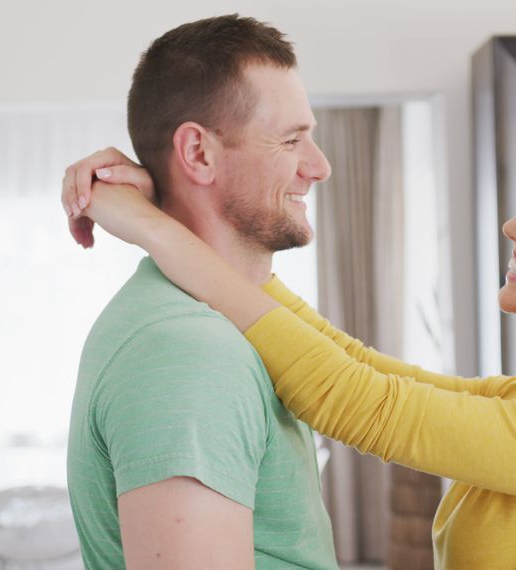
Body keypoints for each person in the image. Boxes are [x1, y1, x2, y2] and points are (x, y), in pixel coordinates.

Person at [63, 129, 516, 569]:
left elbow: (358, 402)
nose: (513, 225)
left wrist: (156, 231)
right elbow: (359, 366)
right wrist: (193, 219)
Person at [63, 14, 339, 569]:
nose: (320, 167)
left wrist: (152, 219)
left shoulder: (217, 321)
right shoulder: (186, 350)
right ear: (198, 155)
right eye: (291, 140)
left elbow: (371, 383)